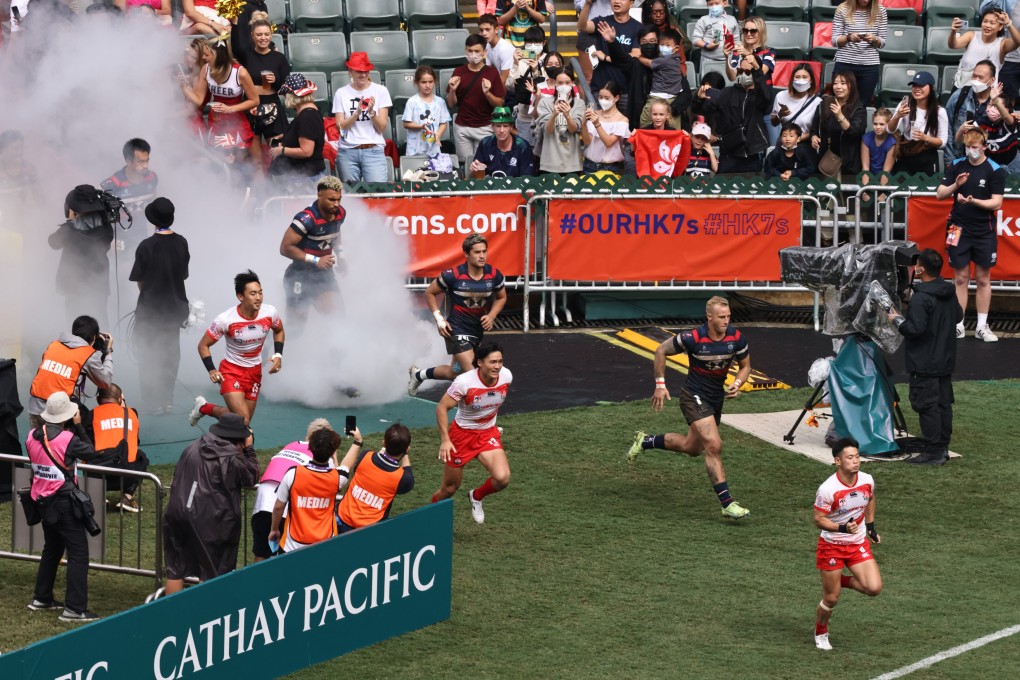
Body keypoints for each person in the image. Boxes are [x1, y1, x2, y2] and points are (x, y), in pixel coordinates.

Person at [627, 296, 752, 520]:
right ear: (710, 317)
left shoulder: (736, 338)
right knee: (714, 445)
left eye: (728, 316)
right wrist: (660, 385)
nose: (726, 321)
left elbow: (745, 367)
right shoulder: (693, 338)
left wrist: (737, 383)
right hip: (693, 395)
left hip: (715, 398)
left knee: (692, 447)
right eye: (721, 317)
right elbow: (660, 351)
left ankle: (645, 441)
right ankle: (727, 503)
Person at [25, 392, 101, 622]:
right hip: (64, 502)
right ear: (67, 415)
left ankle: (42, 597)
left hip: (42, 501)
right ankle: (75, 609)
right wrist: (78, 427)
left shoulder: (32, 435)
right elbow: (91, 452)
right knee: (78, 553)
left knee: (52, 549)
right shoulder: (67, 439)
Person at [163, 413, 259, 595]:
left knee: (175, 570)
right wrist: (249, 449)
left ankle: (172, 618)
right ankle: (205, 618)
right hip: (212, 520)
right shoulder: (232, 457)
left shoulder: (192, 447)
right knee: (212, 573)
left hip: (177, 512)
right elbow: (251, 476)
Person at [887, 249, 963, 465]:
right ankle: (942, 447)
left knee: (926, 406)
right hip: (945, 361)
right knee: (943, 404)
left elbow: (915, 329)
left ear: (921, 269)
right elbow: (957, 315)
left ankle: (933, 452)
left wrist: (896, 319)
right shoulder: (948, 291)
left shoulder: (921, 298)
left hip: (924, 363)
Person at [408, 233, 507, 395]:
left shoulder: (494, 275)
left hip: (476, 332)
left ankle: (418, 374)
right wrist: (439, 320)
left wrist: (491, 316)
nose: (482, 256)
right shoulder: (452, 275)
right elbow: (430, 293)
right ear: (467, 254)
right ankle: (473, 415)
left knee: (454, 372)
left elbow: (502, 297)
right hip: (456, 332)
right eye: (477, 252)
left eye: (484, 251)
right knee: (475, 374)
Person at [189, 269, 285, 426]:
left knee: (239, 422)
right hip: (231, 371)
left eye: (260, 293)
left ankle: (204, 408)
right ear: (240, 296)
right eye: (253, 294)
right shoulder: (225, 320)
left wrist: (278, 355)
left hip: (254, 373)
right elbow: (203, 345)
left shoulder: (270, 313)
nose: (259, 298)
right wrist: (212, 370)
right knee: (243, 422)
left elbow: (279, 330)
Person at [812, 437, 882, 651]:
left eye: (857, 456)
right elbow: (818, 519)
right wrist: (841, 528)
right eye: (850, 457)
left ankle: (836, 579)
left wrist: (870, 527)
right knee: (831, 599)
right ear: (838, 461)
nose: (856, 461)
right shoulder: (828, 489)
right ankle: (821, 632)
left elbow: (870, 499)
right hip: (832, 545)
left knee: (874, 588)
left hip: (857, 542)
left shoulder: (867, 480)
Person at [431, 342, 512, 524]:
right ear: (480, 363)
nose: (497, 366)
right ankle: (429, 519)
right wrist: (445, 439)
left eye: (500, 361)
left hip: (487, 433)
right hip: (461, 436)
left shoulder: (506, 376)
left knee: (502, 478)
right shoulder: (464, 382)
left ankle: (476, 496)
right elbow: (442, 408)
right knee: (449, 489)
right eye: (492, 362)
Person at [936, 127, 1004, 342]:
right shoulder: (957, 165)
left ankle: (983, 326)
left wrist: (974, 201)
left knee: (983, 279)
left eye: (974, 147)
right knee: (960, 278)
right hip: (957, 229)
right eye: (967, 147)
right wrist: (957, 184)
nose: (971, 151)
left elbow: (997, 202)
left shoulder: (994, 170)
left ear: (984, 147)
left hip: (984, 231)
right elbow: (939, 194)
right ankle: (958, 324)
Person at [129, 197, 190, 415]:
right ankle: (167, 400)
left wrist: (149, 295)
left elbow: (140, 279)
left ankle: (152, 402)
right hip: (175, 310)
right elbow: (183, 274)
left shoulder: (146, 246)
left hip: (150, 310)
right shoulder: (182, 242)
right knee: (171, 355)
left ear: (152, 220)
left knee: (148, 355)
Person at [251, 418, 342, 560]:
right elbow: (336, 481)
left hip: (262, 505)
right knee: (286, 561)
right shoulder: (323, 455)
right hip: (284, 511)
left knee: (261, 555)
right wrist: (334, 457)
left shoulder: (291, 445)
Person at [181, 35, 262, 178]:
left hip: (237, 121)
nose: (204, 58)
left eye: (207, 55)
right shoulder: (206, 69)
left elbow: (255, 100)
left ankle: (244, 194)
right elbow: (199, 101)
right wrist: (184, 87)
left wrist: (231, 109)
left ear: (218, 56)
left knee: (240, 164)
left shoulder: (240, 72)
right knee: (220, 164)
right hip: (217, 121)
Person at [279, 176, 345, 326]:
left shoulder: (340, 213)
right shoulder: (306, 219)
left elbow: (336, 231)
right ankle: (267, 345)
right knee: (295, 330)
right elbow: (284, 248)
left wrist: (341, 256)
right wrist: (316, 260)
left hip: (323, 274)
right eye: (331, 199)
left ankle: (341, 349)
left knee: (338, 319)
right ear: (319, 195)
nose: (336, 204)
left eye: (339, 199)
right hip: (299, 275)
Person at [269, 428, 348, 552]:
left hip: (291, 546)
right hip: (325, 544)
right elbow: (344, 468)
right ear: (333, 451)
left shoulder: (293, 473)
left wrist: (274, 529)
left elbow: (278, 507)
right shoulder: (339, 477)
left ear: (310, 447)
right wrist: (357, 443)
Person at [28, 315, 113, 429]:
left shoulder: (54, 344)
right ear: (93, 337)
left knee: (37, 445)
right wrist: (108, 352)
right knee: (79, 433)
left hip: (36, 409)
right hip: (59, 415)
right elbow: (105, 382)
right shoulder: (87, 354)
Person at [48, 184, 115, 325]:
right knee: (100, 322)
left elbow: (53, 243)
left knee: (76, 324)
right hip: (99, 285)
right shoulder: (106, 227)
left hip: (74, 287)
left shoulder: (68, 231)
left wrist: (72, 221)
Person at [698, 54, 772, 174]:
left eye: (748, 72)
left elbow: (766, 98)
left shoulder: (760, 95)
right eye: (741, 71)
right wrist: (701, 99)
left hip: (751, 154)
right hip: (729, 154)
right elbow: (708, 110)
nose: (744, 74)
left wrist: (758, 69)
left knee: (752, 191)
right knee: (724, 190)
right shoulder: (727, 93)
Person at [336, 423, 415, 532]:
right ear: (407, 449)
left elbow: (378, 459)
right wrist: (404, 452)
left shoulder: (365, 455)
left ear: (384, 443)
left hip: (341, 519)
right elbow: (408, 471)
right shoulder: (404, 479)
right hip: (369, 531)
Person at [331, 52, 392, 184]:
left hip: (373, 150)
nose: (363, 74)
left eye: (366, 71)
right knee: (352, 198)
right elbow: (340, 126)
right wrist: (356, 113)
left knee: (377, 194)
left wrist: (371, 112)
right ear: (350, 71)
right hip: (348, 151)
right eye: (359, 71)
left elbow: (382, 128)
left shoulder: (381, 90)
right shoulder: (341, 93)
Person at [447, 34, 507, 165]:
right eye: (470, 51)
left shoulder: (492, 73)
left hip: (485, 127)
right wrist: (452, 90)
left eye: (477, 51)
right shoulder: (458, 71)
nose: (473, 54)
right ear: (465, 50)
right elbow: (451, 103)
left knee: (484, 165)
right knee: (464, 165)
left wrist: (487, 93)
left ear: (484, 52)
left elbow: (499, 104)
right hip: (462, 126)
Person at [234, 12, 290, 147]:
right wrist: (235, 22)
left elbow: (286, 87)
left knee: (278, 154)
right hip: (250, 105)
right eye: (259, 35)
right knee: (254, 160)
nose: (263, 38)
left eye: (266, 34)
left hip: (272, 105)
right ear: (252, 36)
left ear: (271, 35)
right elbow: (235, 44)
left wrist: (275, 80)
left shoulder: (279, 58)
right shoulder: (246, 54)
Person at [90, 384, 150, 510]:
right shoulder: (132, 413)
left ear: (97, 399)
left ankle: (97, 494)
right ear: (120, 399)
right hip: (126, 475)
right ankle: (127, 497)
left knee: (89, 453)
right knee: (141, 457)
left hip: (99, 476)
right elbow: (135, 441)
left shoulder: (91, 415)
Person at [578, 0, 642, 113]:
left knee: (624, 128)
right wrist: (587, 4)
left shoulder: (638, 27)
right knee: (595, 126)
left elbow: (635, 55)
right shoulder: (602, 22)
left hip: (625, 89)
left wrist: (606, 58)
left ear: (631, 3)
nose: (616, 1)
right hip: (600, 88)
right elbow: (582, 26)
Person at [269, 73, 327, 186]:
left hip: (305, 178)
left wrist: (281, 150)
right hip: (305, 176)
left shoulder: (307, 116)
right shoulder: (307, 113)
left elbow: (306, 151)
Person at [887, 71, 948, 177]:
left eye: (921, 85)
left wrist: (926, 138)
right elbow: (889, 130)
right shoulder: (905, 105)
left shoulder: (939, 111)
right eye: (914, 85)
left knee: (926, 192)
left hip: (927, 156)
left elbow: (942, 142)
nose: (917, 88)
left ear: (931, 88)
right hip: (906, 156)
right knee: (901, 191)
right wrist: (897, 115)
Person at [811, 71, 867, 180]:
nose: (838, 87)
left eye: (843, 83)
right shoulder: (824, 103)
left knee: (846, 195)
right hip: (826, 159)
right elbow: (814, 129)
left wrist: (840, 115)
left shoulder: (859, 108)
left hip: (848, 162)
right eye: (835, 83)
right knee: (826, 194)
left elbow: (854, 132)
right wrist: (814, 137)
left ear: (851, 85)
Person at [830, 0, 887, 107]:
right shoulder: (842, 9)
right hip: (845, 62)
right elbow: (834, 40)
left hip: (869, 65)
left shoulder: (880, 10)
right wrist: (848, 37)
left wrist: (874, 39)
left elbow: (882, 42)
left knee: (862, 105)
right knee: (839, 103)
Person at [948, 9, 1020, 89]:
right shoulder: (971, 35)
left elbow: (1018, 41)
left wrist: (1009, 24)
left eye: (992, 23)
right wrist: (953, 32)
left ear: (1000, 27)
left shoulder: (1002, 44)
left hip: (987, 93)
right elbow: (953, 45)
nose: (987, 25)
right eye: (985, 21)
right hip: (962, 88)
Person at [535, 65, 585, 174]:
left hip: (572, 164)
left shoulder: (579, 103)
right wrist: (554, 114)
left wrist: (567, 115)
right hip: (550, 163)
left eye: (567, 83)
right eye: (560, 83)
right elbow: (547, 130)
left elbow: (574, 129)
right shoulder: (545, 102)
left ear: (572, 83)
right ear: (555, 83)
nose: (564, 86)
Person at [469, 106, 536, 177]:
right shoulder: (485, 143)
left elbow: (527, 179)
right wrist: (474, 171)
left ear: (511, 127)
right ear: (492, 126)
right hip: (490, 187)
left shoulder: (523, 146)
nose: (501, 130)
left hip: (516, 187)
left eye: (505, 126)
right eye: (498, 126)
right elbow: (475, 177)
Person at [581, 80, 632, 174]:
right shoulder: (594, 114)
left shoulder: (622, 120)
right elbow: (588, 141)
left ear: (616, 98)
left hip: (610, 167)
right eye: (600, 97)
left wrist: (597, 124)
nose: (603, 100)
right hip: (589, 165)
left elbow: (608, 143)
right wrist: (583, 124)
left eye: (607, 98)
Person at [403, 65, 452, 159]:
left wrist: (437, 136)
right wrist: (421, 126)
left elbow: (443, 123)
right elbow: (406, 123)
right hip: (415, 149)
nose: (428, 85)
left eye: (430, 82)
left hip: (433, 149)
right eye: (423, 82)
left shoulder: (440, 102)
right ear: (417, 83)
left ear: (435, 82)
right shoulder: (412, 101)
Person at [100, 138, 158, 212]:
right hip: (122, 223)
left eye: (147, 160)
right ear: (128, 161)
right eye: (141, 162)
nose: (145, 166)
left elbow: (153, 200)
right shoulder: (112, 185)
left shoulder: (152, 177)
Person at [771, 63, 821, 145]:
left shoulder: (817, 101)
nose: (801, 80)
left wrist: (798, 139)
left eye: (805, 77)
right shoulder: (781, 96)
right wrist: (780, 114)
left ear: (811, 80)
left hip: (805, 144)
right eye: (797, 77)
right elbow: (773, 123)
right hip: (784, 143)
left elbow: (816, 130)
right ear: (792, 79)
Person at [691, 0, 738, 74]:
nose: (714, 6)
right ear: (707, 5)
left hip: (728, 60)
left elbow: (737, 40)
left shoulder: (732, 19)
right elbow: (695, 39)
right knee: (709, 84)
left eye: (717, 3)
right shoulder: (703, 20)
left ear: (725, 3)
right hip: (709, 60)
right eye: (710, 4)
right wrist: (707, 45)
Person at [479, 13, 515, 85]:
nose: (484, 33)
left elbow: (504, 80)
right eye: (481, 30)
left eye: (487, 29)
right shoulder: (487, 46)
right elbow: (489, 71)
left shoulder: (504, 48)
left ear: (496, 30)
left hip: (513, 85)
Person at [861, 107, 896, 177]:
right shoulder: (866, 139)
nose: (878, 127)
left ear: (888, 124)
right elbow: (865, 169)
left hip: (887, 179)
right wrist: (866, 187)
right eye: (875, 124)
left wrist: (882, 188)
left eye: (882, 124)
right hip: (870, 176)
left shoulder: (892, 142)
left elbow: (886, 171)